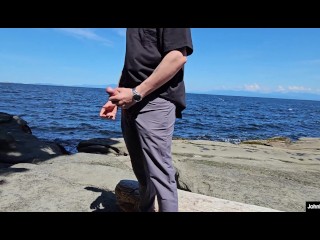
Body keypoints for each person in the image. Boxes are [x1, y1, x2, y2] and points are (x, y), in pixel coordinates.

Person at [100, 28, 193, 212]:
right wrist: (117, 96)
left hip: (156, 100)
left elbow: (177, 57)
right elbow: (129, 64)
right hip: (130, 100)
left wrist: (136, 93)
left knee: (160, 174)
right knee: (141, 172)